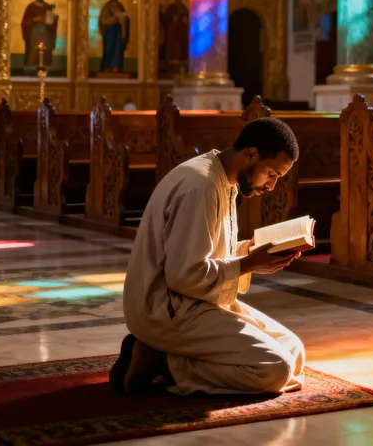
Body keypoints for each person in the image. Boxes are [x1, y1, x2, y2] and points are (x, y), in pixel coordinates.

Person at [111, 119, 304, 397]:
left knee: (294, 350)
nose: (271, 186)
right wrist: (249, 264)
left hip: (196, 301)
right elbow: (184, 275)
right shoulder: (200, 185)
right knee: (274, 369)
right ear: (251, 155)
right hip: (166, 307)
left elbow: (206, 252)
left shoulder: (224, 179)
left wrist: (246, 252)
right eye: (272, 174)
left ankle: (164, 354)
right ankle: (164, 362)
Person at [21, 0, 58, 73]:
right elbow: (24, 22)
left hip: (45, 33)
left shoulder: (47, 7)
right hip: (34, 33)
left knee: (45, 49)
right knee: (33, 50)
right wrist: (34, 19)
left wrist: (54, 18)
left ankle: (45, 65)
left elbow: (51, 22)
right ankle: (31, 65)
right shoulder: (31, 7)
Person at [98, 0, 130, 73]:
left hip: (119, 31)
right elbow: (103, 20)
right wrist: (114, 19)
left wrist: (124, 19)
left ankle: (116, 66)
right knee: (109, 48)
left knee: (118, 49)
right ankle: (107, 66)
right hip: (109, 32)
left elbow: (125, 20)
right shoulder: (107, 7)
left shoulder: (120, 6)